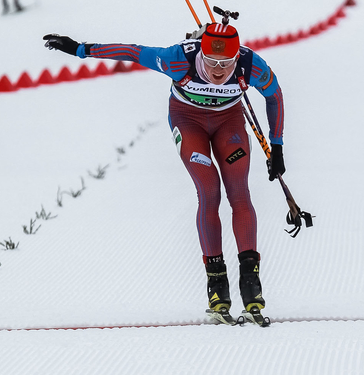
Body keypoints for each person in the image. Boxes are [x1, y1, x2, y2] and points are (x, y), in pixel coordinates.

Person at [43, 21, 286, 322]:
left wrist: (277, 147)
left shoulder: (251, 65)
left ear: (237, 57)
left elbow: (275, 96)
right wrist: (81, 49)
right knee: (209, 191)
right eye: (211, 62)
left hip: (229, 124)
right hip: (189, 121)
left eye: (226, 63)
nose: (219, 71)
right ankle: (217, 282)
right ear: (201, 54)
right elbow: (134, 52)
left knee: (238, 191)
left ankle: (251, 282)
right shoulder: (178, 59)